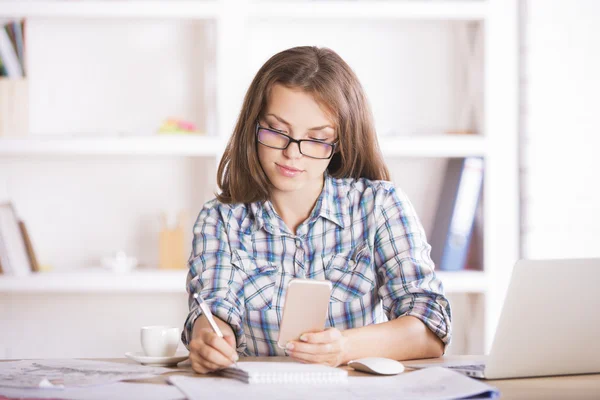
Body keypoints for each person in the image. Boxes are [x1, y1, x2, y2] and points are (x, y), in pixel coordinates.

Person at [182, 46, 452, 374]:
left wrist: (345, 347)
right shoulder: (220, 219)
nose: (292, 153)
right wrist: (211, 341)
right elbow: (213, 313)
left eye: (316, 139)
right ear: (253, 128)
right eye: (278, 131)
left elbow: (430, 327)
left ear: (340, 142)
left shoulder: (379, 205)